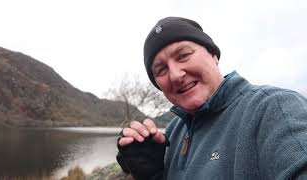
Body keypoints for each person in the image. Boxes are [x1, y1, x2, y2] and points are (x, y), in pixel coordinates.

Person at [116, 16, 307, 180]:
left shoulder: (276, 109)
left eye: (183, 55)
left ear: (214, 55)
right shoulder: (173, 132)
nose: (175, 74)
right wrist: (154, 175)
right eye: (161, 69)